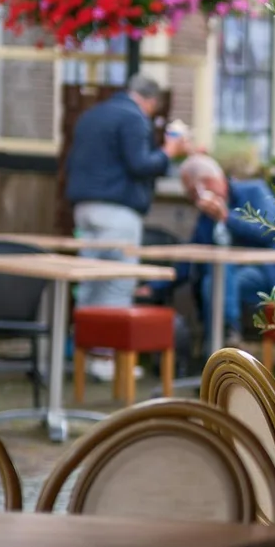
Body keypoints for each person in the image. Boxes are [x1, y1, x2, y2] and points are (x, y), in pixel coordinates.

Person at [65, 73, 188, 380]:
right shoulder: (134, 118)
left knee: (89, 283)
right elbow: (140, 164)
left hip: (84, 209)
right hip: (118, 212)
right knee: (117, 284)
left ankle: (85, 357)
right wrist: (168, 152)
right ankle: (108, 361)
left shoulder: (92, 115)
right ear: (150, 101)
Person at [177, 154, 275, 346]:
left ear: (206, 183)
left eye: (192, 192)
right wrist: (157, 287)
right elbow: (197, 250)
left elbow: (267, 230)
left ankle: (222, 344)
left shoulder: (255, 191)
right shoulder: (206, 213)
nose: (193, 199)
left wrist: (226, 217)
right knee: (215, 279)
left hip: (264, 272)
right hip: (225, 274)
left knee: (216, 283)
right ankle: (225, 341)